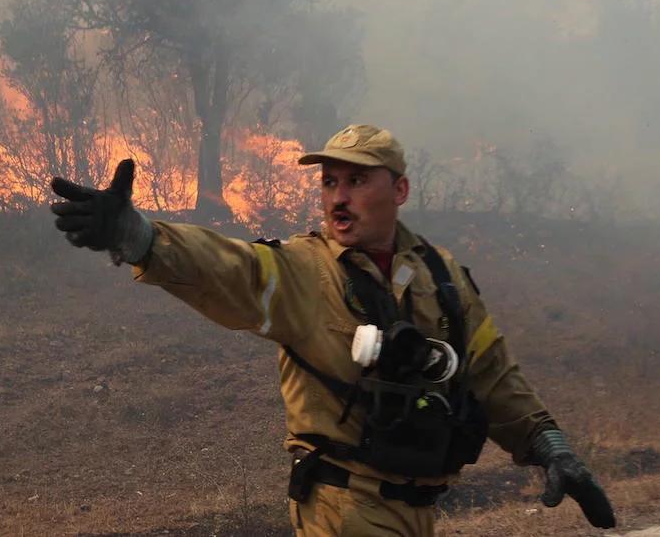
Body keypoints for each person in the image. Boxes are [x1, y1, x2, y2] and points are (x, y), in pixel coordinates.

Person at [49, 124, 615, 536]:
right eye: (329, 182)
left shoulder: (442, 277)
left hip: (419, 511)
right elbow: (228, 267)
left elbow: (491, 373)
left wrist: (550, 446)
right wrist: (135, 234)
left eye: (356, 180)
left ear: (399, 191)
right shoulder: (304, 270)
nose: (337, 198)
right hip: (343, 510)